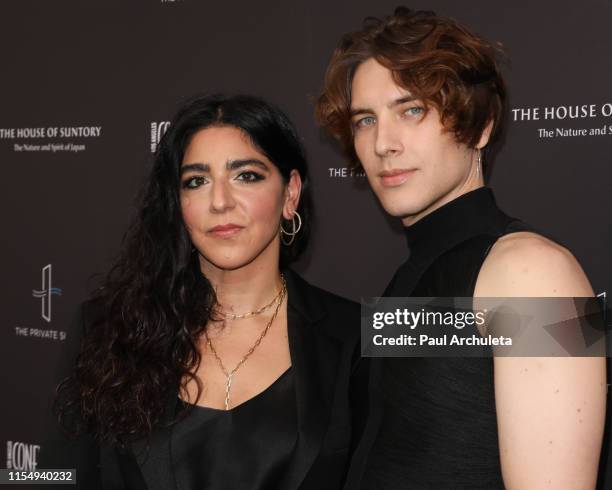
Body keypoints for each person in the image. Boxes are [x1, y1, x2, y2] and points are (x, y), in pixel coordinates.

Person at [316, 7, 606, 489]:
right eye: (365, 120)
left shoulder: (535, 272)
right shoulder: (411, 276)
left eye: (411, 110)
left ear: (480, 126)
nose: (383, 142)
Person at [42, 94, 366, 490]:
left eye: (246, 175)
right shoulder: (104, 329)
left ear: (290, 193)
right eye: (196, 181)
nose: (219, 201)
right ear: (178, 204)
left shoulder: (355, 337)